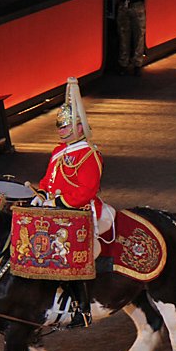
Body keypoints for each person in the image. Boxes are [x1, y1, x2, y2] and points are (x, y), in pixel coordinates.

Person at [32, 77, 115, 241]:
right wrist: (41, 195)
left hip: (78, 210)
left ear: (78, 127)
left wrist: (58, 203)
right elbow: (49, 178)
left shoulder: (88, 155)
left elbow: (87, 191)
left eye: (65, 127)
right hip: (53, 207)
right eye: (60, 127)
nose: (61, 131)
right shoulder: (59, 150)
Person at [116, 0, 150, 74]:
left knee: (139, 34)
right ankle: (123, 62)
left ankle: (137, 62)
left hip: (137, 6)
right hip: (124, 7)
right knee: (124, 34)